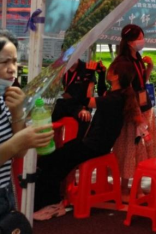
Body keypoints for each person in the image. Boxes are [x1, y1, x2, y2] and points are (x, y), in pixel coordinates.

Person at [33, 59, 137, 219]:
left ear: (116, 76)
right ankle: (49, 200)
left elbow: (83, 100)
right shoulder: (117, 95)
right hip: (91, 143)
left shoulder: (116, 99)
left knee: (54, 162)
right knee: (52, 158)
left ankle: (53, 205)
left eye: (111, 69)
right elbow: (102, 92)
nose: (108, 69)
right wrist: (101, 75)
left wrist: (88, 74)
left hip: (94, 146)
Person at [0, 30, 54, 219]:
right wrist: (18, 141)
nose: (12, 69)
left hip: (5, 191)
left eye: (14, 61)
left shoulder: (6, 98)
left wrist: (17, 113)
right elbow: (16, 146)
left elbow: (19, 153)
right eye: (4, 62)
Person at [111, 24, 156, 192]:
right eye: (139, 38)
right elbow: (126, 91)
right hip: (133, 110)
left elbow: (141, 83)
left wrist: (149, 68)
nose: (142, 41)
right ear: (130, 41)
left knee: (143, 148)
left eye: (142, 37)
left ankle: (134, 187)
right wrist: (136, 115)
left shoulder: (138, 58)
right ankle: (126, 187)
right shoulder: (123, 62)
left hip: (145, 107)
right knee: (132, 147)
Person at [51, 56, 106, 139]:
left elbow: (90, 92)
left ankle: (79, 143)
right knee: (56, 108)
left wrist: (84, 108)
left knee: (84, 117)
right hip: (68, 103)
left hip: (82, 104)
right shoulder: (64, 70)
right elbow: (56, 88)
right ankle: (52, 140)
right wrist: (57, 75)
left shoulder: (86, 68)